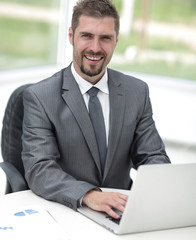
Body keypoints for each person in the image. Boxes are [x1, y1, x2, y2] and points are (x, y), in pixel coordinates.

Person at [22, 0, 170, 220]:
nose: (95, 47)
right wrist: (90, 195)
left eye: (105, 38)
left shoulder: (136, 92)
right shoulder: (40, 97)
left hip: (121, 212)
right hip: (68, 211)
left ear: (116, 40)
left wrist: (161, 190)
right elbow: (40, 169)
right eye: (87, 36)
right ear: (71, 36)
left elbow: (152, 156)